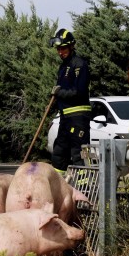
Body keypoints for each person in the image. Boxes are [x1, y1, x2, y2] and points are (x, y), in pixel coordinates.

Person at [49, 28, 91, 173]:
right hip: (65, 117)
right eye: (58, 49)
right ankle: (58, 189)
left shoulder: (79, 64)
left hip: (78, 117)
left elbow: (79, 92)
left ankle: (84, 191)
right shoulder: (63, 66)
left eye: (63, 48)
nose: (60, 52)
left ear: (71, 46)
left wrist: (60, 92)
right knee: (59, 153)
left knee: (78, 154)